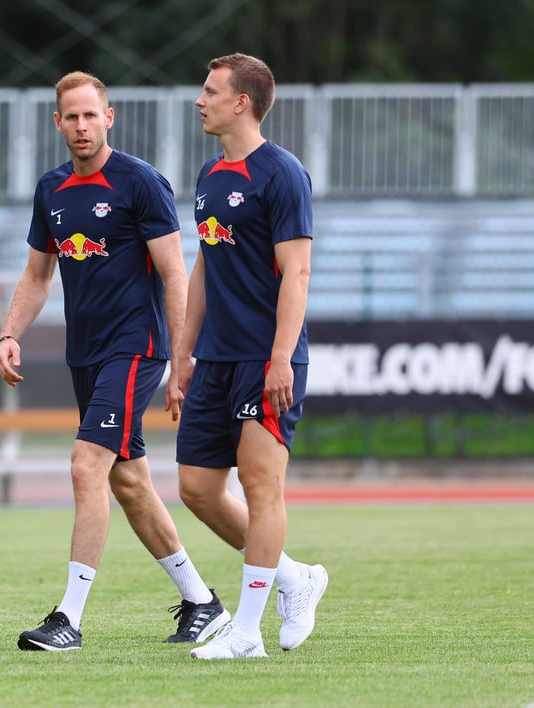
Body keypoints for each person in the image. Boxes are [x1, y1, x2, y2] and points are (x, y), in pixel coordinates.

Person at [0, 71, 229, 652]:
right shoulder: (51, 189)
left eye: (90, 115)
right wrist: (9, 333)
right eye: (71, 117)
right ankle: (203, 603)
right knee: (128, 481)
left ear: (109, 117)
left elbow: (175, 273)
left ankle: (68, 619)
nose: (82, 126)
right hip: (86, 354)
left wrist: (181, 359)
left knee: (86, 465)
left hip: (136, 346)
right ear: (58, 123)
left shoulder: (140, 182)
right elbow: (37, 275)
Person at [177, 53, 328, 660]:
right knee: (196, 488)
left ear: (242, 102)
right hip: (215, 360)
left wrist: (282, 357)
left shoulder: (282, 173)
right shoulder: (210, 175)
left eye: (210, 91)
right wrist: (183, 353)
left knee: (261, 486)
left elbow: (298, 273)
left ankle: (246, 633)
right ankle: (295, 577)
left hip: (266, 358)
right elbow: (203, 268)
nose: (200, 100)